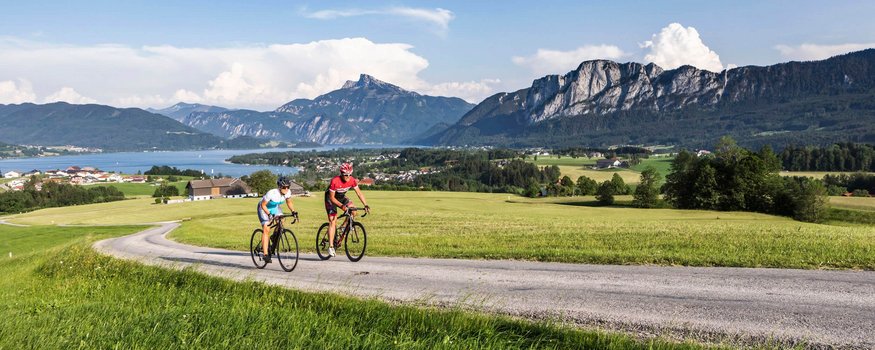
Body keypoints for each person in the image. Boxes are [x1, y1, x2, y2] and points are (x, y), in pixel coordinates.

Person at [324, 162, 369, 257]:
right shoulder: (335, 181)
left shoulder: (352, 180)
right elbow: (332, 198)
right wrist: (342, 207)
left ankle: (343, 226)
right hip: (331, 198)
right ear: (341, 173)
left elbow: (359, 193)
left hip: (340, 196)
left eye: (350, 174)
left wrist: (365, 205)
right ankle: (331, 247)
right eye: (345, 175)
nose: (348, 177)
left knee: (353, 211)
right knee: (333, 220)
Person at [256, 176, 298, 263]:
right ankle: (265, 254)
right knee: (266, 228)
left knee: (282, 220)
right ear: (279, 187)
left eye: (288, 187)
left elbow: (289, 202)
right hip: (264, 208)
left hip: (275, 207)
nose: (286, 189)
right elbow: (263, 205)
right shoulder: (271, 193)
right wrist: (269, 214)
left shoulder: (288, 192)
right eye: (284, 187)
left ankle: (274, 236)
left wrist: (293, 211)